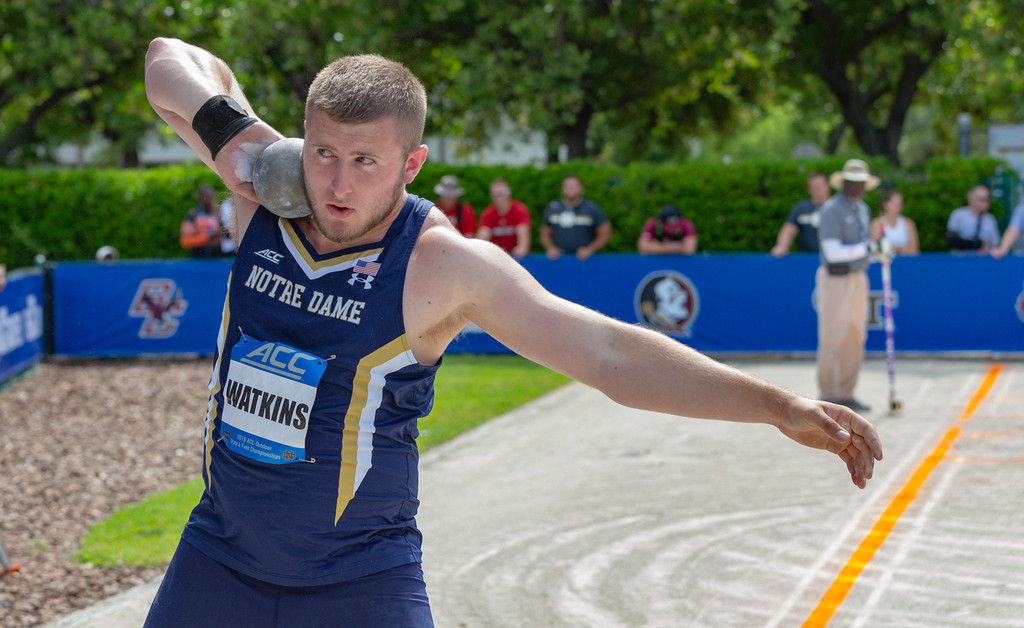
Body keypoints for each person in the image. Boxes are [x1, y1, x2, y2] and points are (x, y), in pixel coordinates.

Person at [143, 37, 883, 627]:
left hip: (357, 581)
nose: (338, 185)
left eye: (366, 161)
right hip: (218, 560)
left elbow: (607, 353)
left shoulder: (442, 267)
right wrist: (237, 141)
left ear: (412, 162)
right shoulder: (264, 193)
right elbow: (165, 60)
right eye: (324, 153)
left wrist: (775, 406)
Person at [816, 159, 879, 413]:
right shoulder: (831, 210)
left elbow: (862, 245)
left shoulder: (862, 209)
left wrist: (876, 251)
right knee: (833, 335)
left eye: (862, 183)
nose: (858, 187)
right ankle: (829, 393)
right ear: (844, 183)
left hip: (858, 277)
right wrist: (867, 248)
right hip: (835, 279)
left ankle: (846, 391)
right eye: (853, 182)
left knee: (855, 335)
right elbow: (833, 252)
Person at [540, 174, 611, 261]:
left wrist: (589, 250)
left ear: (581, 188)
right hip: (558, 260)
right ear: (562, 189)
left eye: (573, 186)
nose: (570, 189)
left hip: (585, 261)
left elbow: (605, 233)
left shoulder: (591, 208)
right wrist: (550, 248)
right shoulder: (553, 208)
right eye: (566, 186)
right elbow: (545, 232)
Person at [771, 171, 831, 257]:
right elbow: (789, 229)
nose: (817, 190)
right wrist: (781, 246)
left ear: (827, 186)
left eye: (819, 186)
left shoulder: (836, 208)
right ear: (809, 189)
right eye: (813, 187)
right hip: (806, 258)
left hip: (833, 259)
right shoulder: (801, 208)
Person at [476, 178, 531, 258]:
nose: (499, 197)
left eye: (502, 193)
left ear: (509, 193)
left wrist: (522, 248)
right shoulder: (488, 213)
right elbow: (482, 237)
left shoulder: (519, 210)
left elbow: (523, 234)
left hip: (515, 258)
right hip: (496, 257)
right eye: (496, 194)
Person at [946, 185, 1001, 253]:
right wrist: (978, 244)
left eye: (988, 199)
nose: (986, 203)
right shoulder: (958, 215)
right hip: (962, 260)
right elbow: (952, 240)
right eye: (983, 199)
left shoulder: (990, 219)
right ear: (971, 200)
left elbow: (995, 244)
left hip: (983, 261)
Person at [869, 188, 919, 255]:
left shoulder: (908, 223)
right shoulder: (876, 223)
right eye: (895, 203)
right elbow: (875, 248)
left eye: (900, 203)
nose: (898, 206)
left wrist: (894, 248)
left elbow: (914, 249)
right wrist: (902, 249)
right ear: (885, 204)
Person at [180, 184, 223, 257]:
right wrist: (207, 237)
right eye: (204, 197)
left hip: (217, 257)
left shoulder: (217, 214)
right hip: (198, 256)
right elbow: (185, 241)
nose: (207, 199)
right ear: (199, 198)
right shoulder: (193, 214)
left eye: (209, 197)